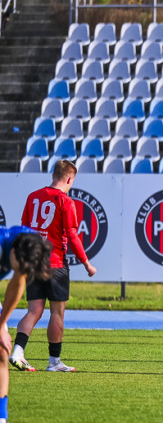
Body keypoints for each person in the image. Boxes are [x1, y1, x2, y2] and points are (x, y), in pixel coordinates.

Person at [10, 160, 97, 373]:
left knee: (34, 310)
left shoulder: (33, 197)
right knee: (57, 313)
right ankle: (54, 361)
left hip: (33, 263)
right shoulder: (65, 201)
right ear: (69, 178)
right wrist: (87, 263)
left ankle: (18, 352)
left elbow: (24, 229)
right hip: (55, 263)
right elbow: (73, 236)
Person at [0, 227, 52, 423]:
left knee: (2, 352)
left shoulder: (29, 245)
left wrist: (1, 325)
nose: (21, 271)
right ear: (12, 253)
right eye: (19, 267)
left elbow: (16, 285)